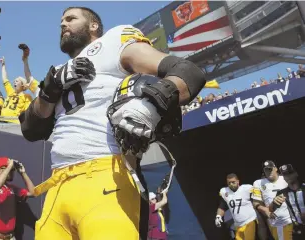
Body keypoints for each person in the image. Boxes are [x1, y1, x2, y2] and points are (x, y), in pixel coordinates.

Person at [19, 6, 205, 240]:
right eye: (61, 22)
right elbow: (31, 128)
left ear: (93, 25)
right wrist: (51, 88)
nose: (63, 24)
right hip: (57, 185)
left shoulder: (114, 41)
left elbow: (187, 73)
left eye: (71, 19)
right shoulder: (58, 71)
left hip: (107, 174)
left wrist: (149, 105)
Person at [0, 157, 35, 240]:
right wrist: (10, 166)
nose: (12, 172)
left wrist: (23, 173)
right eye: (10, 170)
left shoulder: (12, 189)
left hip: (10, 237)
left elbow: (33, 192)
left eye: (13, 170)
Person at [252, 161, 293, 240]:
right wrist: (265, 210)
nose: (268, 172)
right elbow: (255, 203)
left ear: (276, 168)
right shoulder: (258, 183)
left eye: (270, 169)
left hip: (293, 219)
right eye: (266, 170)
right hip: (277, 222)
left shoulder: (285, 178)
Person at [216, 173, 257, 240]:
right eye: (229, 183)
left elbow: (257, 199)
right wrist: (218, 216)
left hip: (250, 221)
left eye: (233, 182)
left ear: (238, 181)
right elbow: (222, 206)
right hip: (237, 224)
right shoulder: (225, 192)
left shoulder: (246, 188)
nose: (231, 184)